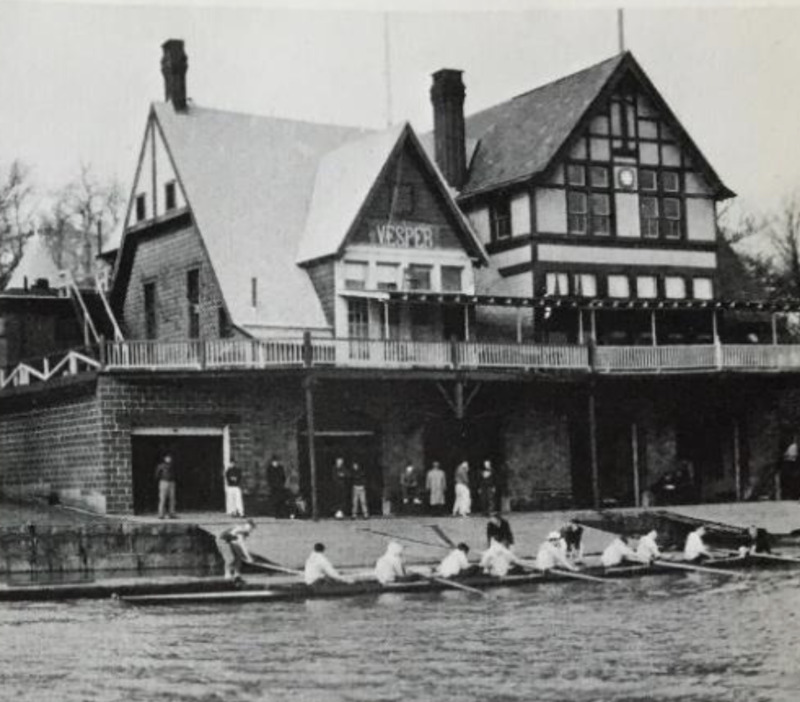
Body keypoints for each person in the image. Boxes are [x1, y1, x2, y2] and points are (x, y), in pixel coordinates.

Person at [155, 452, 177, 519]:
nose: (169, 459)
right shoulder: (160, 466)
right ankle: (161, 514)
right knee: (162, 498)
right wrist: (162, 480)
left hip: (172, 482)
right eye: (167, 458)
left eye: (170, 458)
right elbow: (156, 475)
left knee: (172, 499)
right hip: (164, 482)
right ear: (164, 459)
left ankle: (171, 513)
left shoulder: (173, 466)